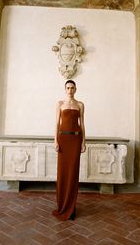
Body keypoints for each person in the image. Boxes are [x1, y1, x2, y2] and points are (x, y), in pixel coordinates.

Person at [52, 80, 86, 221]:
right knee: (63, 173)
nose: (70, 90)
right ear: (65, 89)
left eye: (72, 88)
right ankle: (62, 206)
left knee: (73, 173)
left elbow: (82, 124)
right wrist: (55, 140)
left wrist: (84, 141)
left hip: (75, 141)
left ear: (75, 89)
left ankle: (71, 209)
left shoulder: (80, 105)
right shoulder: (60, 104)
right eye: (68, 88)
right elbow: (56, 123)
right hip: (63, 141)